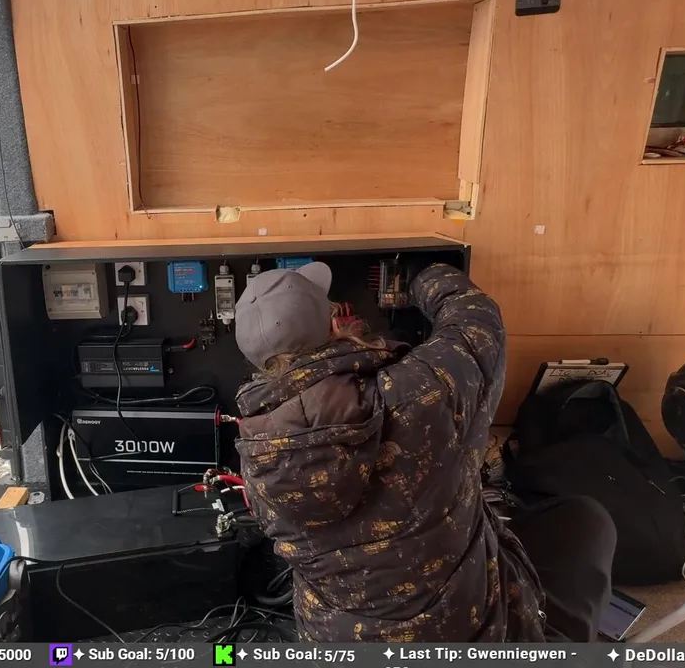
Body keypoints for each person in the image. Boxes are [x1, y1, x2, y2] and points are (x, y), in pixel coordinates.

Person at [232, 261, 615, 642]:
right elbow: (477, 321)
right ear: (335, 325)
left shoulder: (256, 456)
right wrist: (423, 274)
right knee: (586, 522)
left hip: (336, 645)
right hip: (468, 635)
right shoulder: (420, 392)